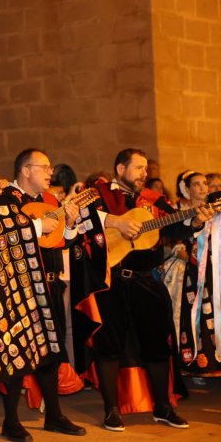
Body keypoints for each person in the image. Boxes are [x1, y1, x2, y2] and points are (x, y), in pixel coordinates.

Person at [90, 149, 213, 431]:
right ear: (120, 168)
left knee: (158, 345)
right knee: (109, 348)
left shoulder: (155, 201)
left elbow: (175, 228)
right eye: (138, 168)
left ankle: (163, 406)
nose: (145, 173)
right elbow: (81, 218)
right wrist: (116, 221)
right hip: (111, 282)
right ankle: (111, 410)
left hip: (147, 281)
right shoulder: (98, 194)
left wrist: (194, 221)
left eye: (146, 168)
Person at [0, 148, 86, 441]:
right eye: (44, 167)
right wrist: (37, 226)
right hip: (17, 292)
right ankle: (10, 421)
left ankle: (54, 416)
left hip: (49, 286)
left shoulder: (48, 201)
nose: (50, 172)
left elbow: (60, 241)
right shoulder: (4, 200)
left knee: (51, 353)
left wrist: (70, 224)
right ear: (25, 170)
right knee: (17, 354)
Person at [161, 171, 221, 380]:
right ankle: (196, 363)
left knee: (214, 313)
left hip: (213, 268)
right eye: (196, 184)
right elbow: (173, 238)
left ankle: (215, 360)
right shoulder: (179, 211)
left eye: (205, 183)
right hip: (188, 270)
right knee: (191, 315)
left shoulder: (214, 209)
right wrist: (184, 253)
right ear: (186, 188)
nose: (202, 187)